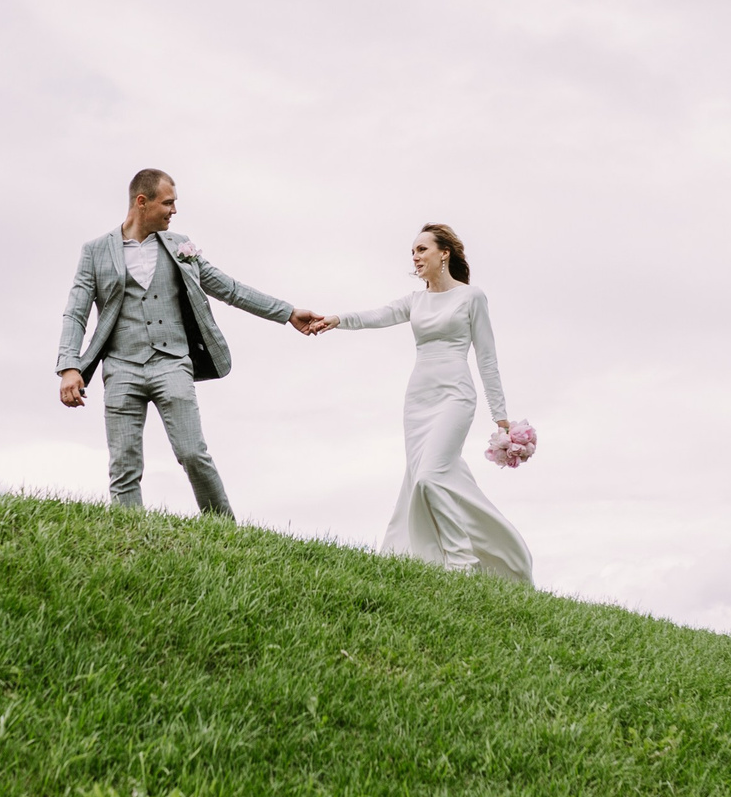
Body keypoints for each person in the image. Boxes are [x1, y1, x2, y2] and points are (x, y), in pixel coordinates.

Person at [57, 169, 326, 516]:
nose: (174, 210)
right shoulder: (95, 251)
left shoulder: (180, 247)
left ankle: (224, 529)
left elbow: (230, 289)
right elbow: (76, 312)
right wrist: (69, 366)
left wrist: (287, 313)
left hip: (172, 363)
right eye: (168, 203)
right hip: (121, 366)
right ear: (142, 202)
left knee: (193, 454)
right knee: (123, 465)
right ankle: (129, 535)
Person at [312, 223, 533, 583]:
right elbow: (377, 315)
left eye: (421, 249)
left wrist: (501, 417)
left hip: (455, 396)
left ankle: (461, 562)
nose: (415, 257)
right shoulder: (415, 301)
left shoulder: (471, 297)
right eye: (412, 252)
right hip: (418, 401)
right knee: (430, 478)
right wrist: (337, 319)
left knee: (429, 477)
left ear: (444, 253)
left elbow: (487, 358)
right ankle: (466, 559)